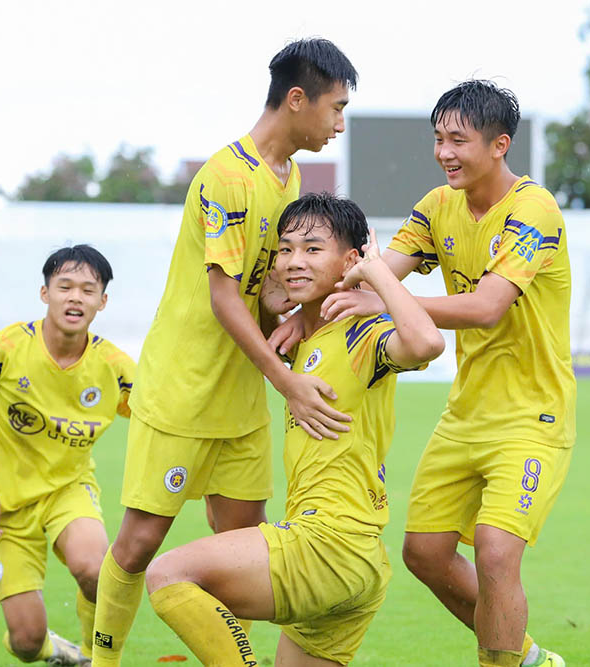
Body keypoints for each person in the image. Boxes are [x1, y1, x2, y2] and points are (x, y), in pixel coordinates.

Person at [273, 80, 575, 667]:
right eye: (438, 139)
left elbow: (488, 307)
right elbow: (365, 273)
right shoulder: (438, 207)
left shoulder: (533, 209)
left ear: (499, 144)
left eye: (458, 140)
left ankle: (503, 663)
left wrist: (387, 299)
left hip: (532, 418)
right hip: (464, 415)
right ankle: (528, 656)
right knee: (424, 555)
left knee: (494, 552)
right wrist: (299, 320)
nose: (444, 153)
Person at [90, 39, 358, 666]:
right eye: (336, 108)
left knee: (239, 550)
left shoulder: (288, 176)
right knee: (138, 544)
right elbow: (222, 297)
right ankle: (102, 661)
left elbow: (262, 290)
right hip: (185, 390)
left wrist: (290, 318)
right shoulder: (227, 176)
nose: (340, 124)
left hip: (240, 399)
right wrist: (287, 381)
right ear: (298, 100)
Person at [144, 192, 444, 666]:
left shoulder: (361, 332)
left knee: (169, 575)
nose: (292, 261)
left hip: (327, 545)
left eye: (311, 248)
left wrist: (376, 273)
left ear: (350, 258)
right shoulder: (303, 338)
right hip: (357, 561)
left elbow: (427, 341)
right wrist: (285, 310)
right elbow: (262, 297)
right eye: (285, 249)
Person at [0, 245, 136, 666]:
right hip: (6, 504)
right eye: (65, 287)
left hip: (68, 490)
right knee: (26, 642)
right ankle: (57, 651)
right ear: (45, 293)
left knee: (96, 569)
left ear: (102, 301)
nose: (75, 297)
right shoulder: (4, 347)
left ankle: (95, 657)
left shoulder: (114, 366)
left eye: (88, 290)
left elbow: (153, 417)